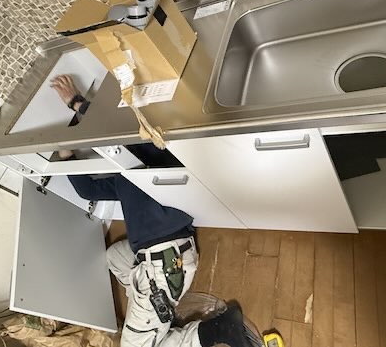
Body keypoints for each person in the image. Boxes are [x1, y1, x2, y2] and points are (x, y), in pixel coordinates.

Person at [50, 75, 249, 347]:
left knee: (114, 258)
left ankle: (149, 309)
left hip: (161, 258)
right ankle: (218, 330)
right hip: (165, 265)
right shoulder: (129, 177)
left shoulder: (151, 160)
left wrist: (78, 105)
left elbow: (119, 134)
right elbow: (89, 189)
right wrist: (67, 147)